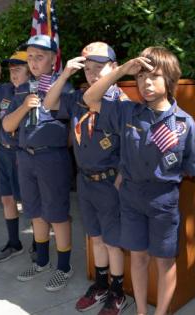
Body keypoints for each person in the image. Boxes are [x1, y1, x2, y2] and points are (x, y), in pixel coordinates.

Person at [83, 46, 195, 315]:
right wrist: (121, 71)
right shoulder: (128, 112)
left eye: (154, 76)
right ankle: (140, 310)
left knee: (164, 262)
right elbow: (90, 98)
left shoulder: (185, 124)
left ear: (170, 80)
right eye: (141, 77)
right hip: (131, 198)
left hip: (163, 201)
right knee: (137, 257)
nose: (146, 83)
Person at [44, 42, 127, 314]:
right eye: (88, 69)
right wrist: (65, 74)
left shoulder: (120, 103)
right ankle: (101, 284)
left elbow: (130, 145)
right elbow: (48, 103)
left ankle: (117, 292)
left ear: (114, 69)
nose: (92, 74)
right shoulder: (79, 98)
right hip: (85, 180)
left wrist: (121, 177)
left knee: (113, 242)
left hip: (110, 181)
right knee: (96, 237)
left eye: (100, 68)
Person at [2, 35, 74, 292]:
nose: (33, 62)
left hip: (50, 158)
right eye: (30, 57)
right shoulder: (22, 88)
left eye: (40, 56)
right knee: (35, 211)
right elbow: (8, 125)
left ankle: (64, 266)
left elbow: (70, 130)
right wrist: (23, 107)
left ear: (54, 59)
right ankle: (42, 260)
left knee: (56, 213)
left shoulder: (63, 87)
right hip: (25, 156)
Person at [0, 50, 30, 263]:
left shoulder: (34, 92)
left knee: (30, 200)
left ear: (30, 71)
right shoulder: (5, 90)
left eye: (18, 69)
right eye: (11, 69)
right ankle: (14, 243)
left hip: (23, 153)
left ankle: (39, 243)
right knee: (6, 197)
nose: (13, 73)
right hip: (4, 151)